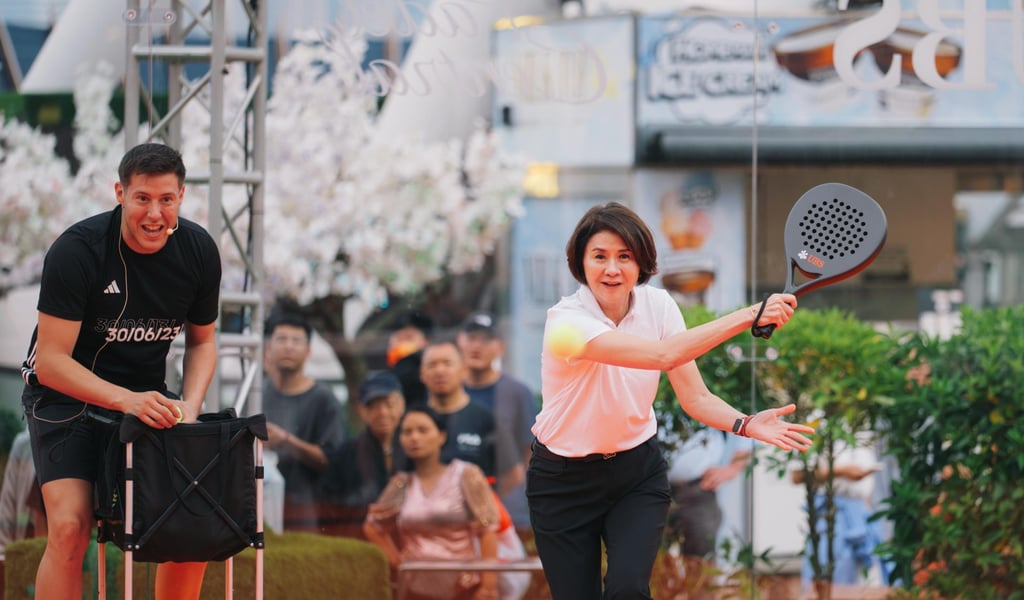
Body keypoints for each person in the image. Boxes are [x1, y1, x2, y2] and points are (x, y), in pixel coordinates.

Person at [527, 201, 815, 600]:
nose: (612, 269)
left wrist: (746, 423)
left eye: (624, 257)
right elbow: (662, 356)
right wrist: (749, 314)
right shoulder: (565, 323)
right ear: (581, 262)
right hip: (562, 482)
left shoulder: (659, 306)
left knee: (629, 590)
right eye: (600, 256)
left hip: (635, 473)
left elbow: (695, 396)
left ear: (641, 262)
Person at [19, 143, 220, 599]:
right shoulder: (78, 250)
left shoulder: (199, 251)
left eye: (166, 199)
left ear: (182, 197)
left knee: (190, 523)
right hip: (65, 399)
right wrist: (125, 398)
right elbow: (50, 362)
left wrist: (189, 407)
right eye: (143, 199)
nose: (154, 214)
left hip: (146, 402)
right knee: (70, 527)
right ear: (120, 194)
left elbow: (203, 343)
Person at [363, 406, 501, 600]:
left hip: (464, 587)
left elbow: (488, 530)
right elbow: (372, 526)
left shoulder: (465, 474)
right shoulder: (401, 482)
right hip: (414, 589)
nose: (414, 438)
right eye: (407, 432)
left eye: (422, 430)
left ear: (441, 436)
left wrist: (489, 586)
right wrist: (398, 561)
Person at [262, 312, 345, 532]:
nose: (288, 346)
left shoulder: (324, 399)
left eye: (296, 341)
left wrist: (286, 440)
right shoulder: (258, 392)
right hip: (260, 504)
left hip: (307, 510)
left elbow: (332, 460)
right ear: (268, 348)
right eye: (281, 339)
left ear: (308, 351)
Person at [456, 312, 537, 532]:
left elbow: (528, 453)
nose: (477, 346)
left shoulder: (517, 393)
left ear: (500, 347)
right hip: (454, 506)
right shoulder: (448, 391)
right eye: (471, 338)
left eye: (486, 340)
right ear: (459, 342)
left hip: (508, 507)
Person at [421, 340, 523, 494]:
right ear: (422, 373)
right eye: (432, 365)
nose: (439, 370)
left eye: (447, 363)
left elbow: (513, 474)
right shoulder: (413, 421)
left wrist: (484, 502)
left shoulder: (486, 419)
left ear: (463, 369)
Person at [664, 427, 752, 599]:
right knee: (652, 563)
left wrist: (733, 468)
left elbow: (746, 422)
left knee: (701, 563)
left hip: (700, 488)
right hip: (651, 487)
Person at [320, 371, 408, 536]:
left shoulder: (415, 448)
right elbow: (331, 506)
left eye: (389, 404)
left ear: (402, 405)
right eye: (373, 406)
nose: (383, 412)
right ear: (361, 410)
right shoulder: (346, 454)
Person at [387, 309, 435, 410]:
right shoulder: (388, 375)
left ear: (427, 341)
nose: (402, 344)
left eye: (409, 338)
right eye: (399, 338)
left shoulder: (426, 369)